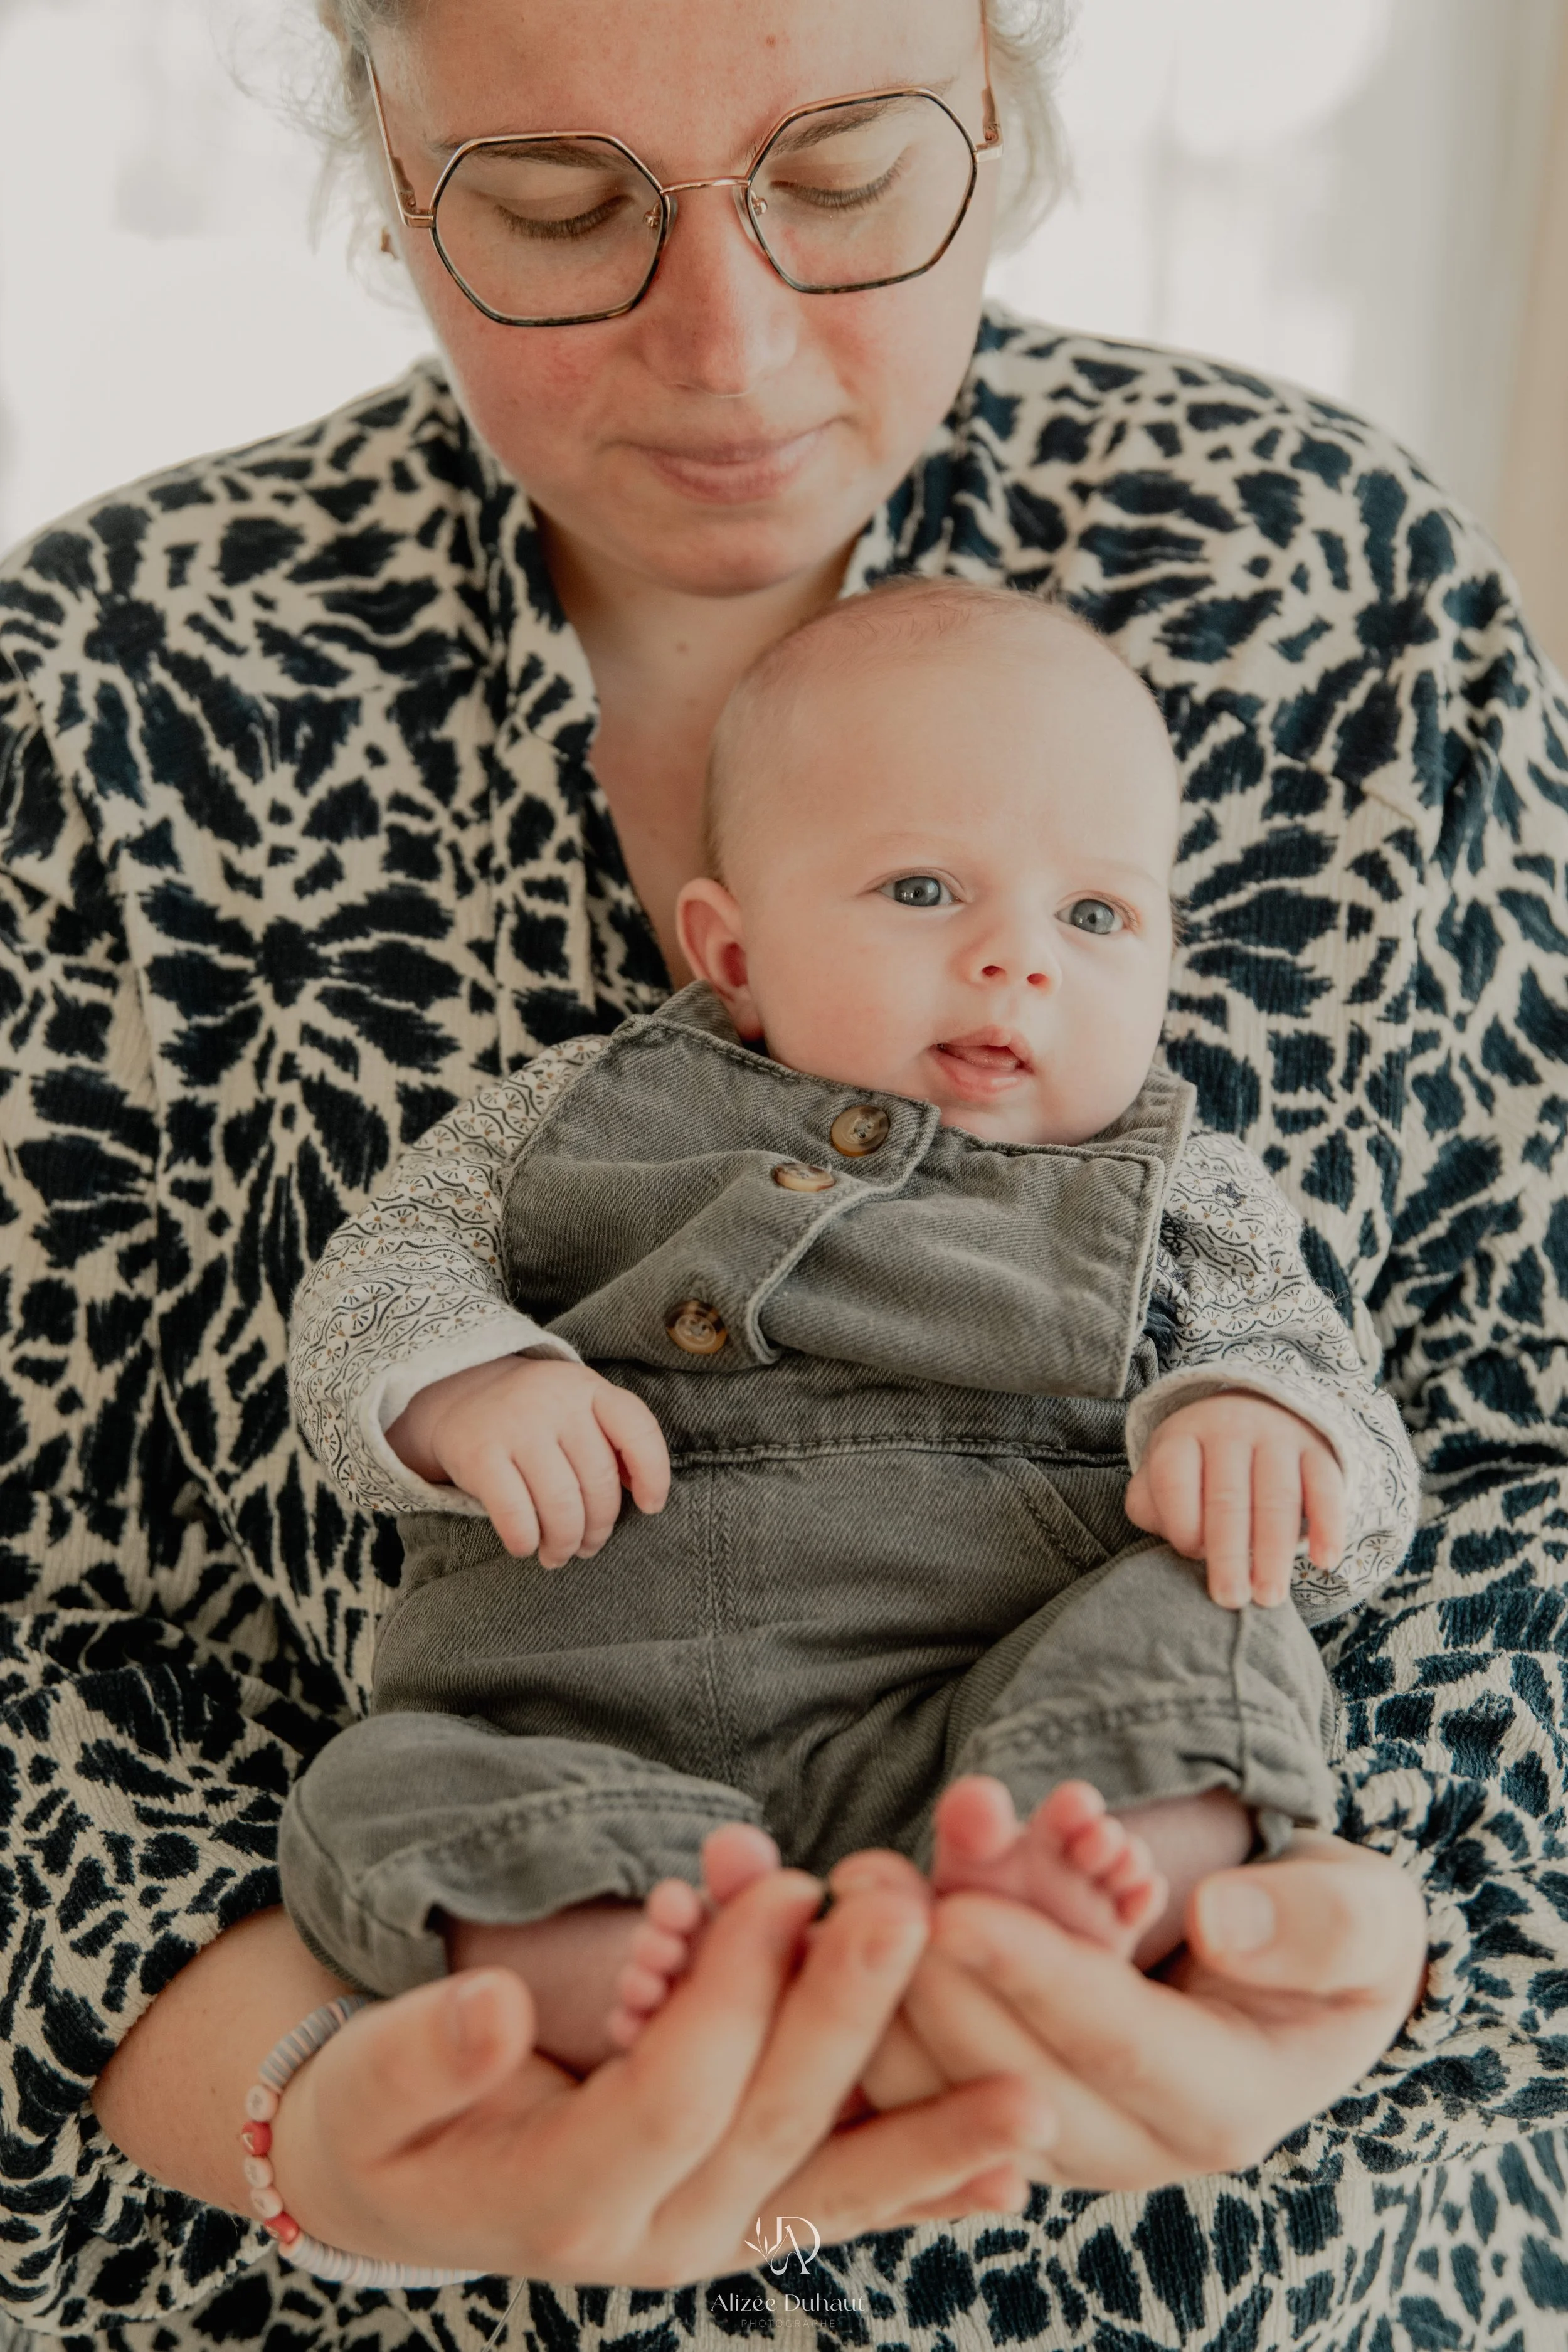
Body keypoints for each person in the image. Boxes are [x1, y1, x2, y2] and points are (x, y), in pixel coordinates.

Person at [0, 0, 1559, 2339]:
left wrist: (1369, 1917)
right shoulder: (107, 697)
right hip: (342, 2275)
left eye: (841, 180)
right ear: (384, 163)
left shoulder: (1328, 587)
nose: (726, 347)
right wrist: (298, 2103)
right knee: (417, 1784)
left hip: (1237, 2281)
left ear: (1007, 104)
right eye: (553, 208)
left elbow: (1522, 1433)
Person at [280, 578, 1419, 2077]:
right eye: (925, 891)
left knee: (1213, 1622)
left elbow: (1345, 1431)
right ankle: (634, 1957)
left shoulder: (1185, 1187)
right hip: (570, 1705)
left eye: (1093, 914)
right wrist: (465, 1385)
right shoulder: (568, 1110)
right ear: (733, 954)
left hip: (995, 1702)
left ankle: (1066, 1881)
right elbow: (373, 1283)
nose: (1020, 959)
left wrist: (1266, 1426)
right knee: (377, 1792)